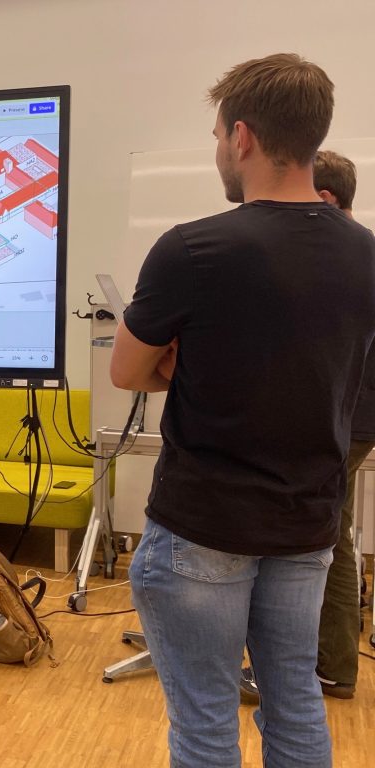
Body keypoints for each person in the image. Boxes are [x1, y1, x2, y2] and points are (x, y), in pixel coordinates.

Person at [111, 53, 375, 768]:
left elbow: (127, 370)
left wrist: (187, 361)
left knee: (204, 723)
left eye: (218, 136)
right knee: (295, 700)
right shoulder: (366, 254)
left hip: (203, 525)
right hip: (307, 524)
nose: (219, 152)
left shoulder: (193, 249)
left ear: (243, 136)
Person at [240, 149, 372, 703]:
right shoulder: (356, 252)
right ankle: (327, 666)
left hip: (346, 416)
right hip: (349, 415)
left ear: (325, 197)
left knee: (325, 539)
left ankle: (320, 668)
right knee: (331, 533)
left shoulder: (342, 255)